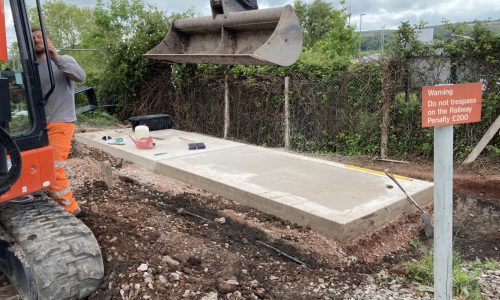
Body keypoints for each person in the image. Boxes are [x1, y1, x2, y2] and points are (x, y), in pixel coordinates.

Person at [32, 28, 85, 215]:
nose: (37, 41)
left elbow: (80, 76)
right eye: (33, 39)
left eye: (40, 37)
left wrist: (56, 57)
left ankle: (71, 209)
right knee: (40, 165)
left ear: (49, 40)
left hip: (61, 122)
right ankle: (53, 198)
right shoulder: (31, 69)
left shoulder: (65, 60)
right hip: (39, 125)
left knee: (54, 168)